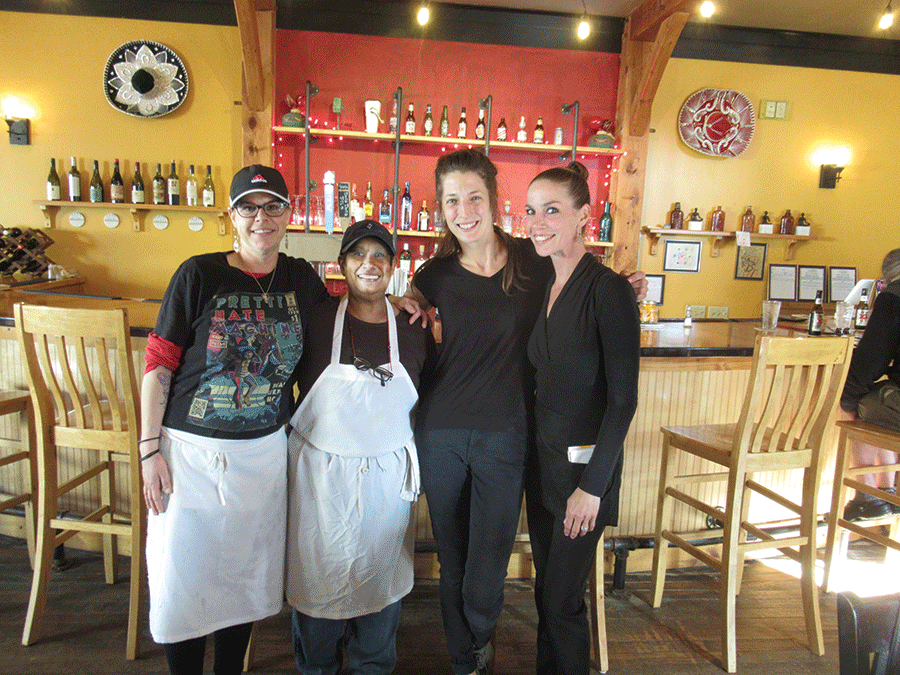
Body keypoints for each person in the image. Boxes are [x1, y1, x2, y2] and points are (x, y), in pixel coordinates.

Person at [397, 149, 645, 675]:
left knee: (488, 561)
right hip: (441, 431)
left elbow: (583, 285)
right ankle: (466, 659)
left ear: (493, 200)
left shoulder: (532, 262)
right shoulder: (434, 273)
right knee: (453, 556)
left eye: (474, 197)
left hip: (507, 435)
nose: (463, 210)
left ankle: (480, 633)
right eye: (451, 201)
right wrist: (397, 302)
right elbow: (401, 307)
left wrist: (624, 285)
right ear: (440, 208)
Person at [140, 165, 329, 675]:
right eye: (248, 206)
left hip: (264, 453)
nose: (260, 218)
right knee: (186, 578)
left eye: (272, 206)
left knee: (243, 581)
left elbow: (341, 320)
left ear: (289, 215)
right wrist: (149, 450)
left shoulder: (301, 278)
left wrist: (397, 303)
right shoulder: (198, 274)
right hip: (190, 453)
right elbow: (159, 364)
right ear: (232, 215)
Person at [285, 220, 436, 675]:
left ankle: (373, 665)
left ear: (393, 267)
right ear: (342, 264)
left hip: (386, 485)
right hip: (320, 481)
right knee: (318, 585)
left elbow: (428, 401)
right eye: (358, 255)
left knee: (378, 587)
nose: (369, 264)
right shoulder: (315, 319)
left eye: (379, 257)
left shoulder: (413, 326)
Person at [523, 163, 640, 675]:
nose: (538, 221)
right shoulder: (543, 284)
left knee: (562, 599)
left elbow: (623, 402)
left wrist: (592, 489)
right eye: (530, 210)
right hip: (543, 468)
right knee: (546, 593)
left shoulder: (607, 290)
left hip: (582, 478)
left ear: (583, 218)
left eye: (552, 210)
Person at [839, 248, 900, 521]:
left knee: (863, 402)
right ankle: (889, 492)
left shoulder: (894, 296)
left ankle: (868, 497)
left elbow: (870, 360)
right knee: (879, 396)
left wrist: (847, 400)